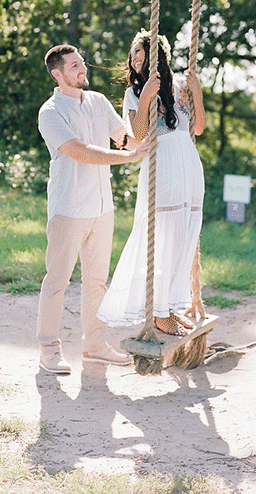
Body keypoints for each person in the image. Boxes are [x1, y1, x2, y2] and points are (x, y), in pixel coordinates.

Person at [36, 43, 148, 374]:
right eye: (73, 67)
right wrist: (126, 158)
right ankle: (49, 349)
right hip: (68, 208)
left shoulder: (98, 101)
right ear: (58, 74)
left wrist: (148, 110)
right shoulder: (51, 112)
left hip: (102, 208)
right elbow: (80, 151)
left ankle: (95, 345)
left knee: (97, 280)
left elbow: (126, 138)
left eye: (82, 63)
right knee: (57, 280)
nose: (82, 69)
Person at [98, 30, 206, 336]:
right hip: (163, 165)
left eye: (139, 51)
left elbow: (197, 127)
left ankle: (170, 305)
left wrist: (197, 92)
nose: (134, 58)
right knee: (162, 237)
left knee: (184, 234)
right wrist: (146, 95)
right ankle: (157, 312)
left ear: (158, 54)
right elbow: (139, 135)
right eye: (132, 53)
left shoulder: (182, 86)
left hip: (188, 163)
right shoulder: (134, 93)